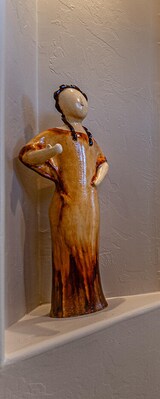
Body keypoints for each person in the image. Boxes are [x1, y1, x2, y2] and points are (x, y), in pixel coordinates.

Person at [19, 84, 109, 317]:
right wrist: (51, 152)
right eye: (73, 99)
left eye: (82, 98)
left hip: (90, 202)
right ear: (61, 106)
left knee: (90, 252)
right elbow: (28, 155)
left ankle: (92, 299)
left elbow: (102, 161)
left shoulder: (89, 138)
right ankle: (68, 304)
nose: (80, 102)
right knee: (69, 251)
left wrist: (98, 177)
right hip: (67, 202)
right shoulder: (54, 134)